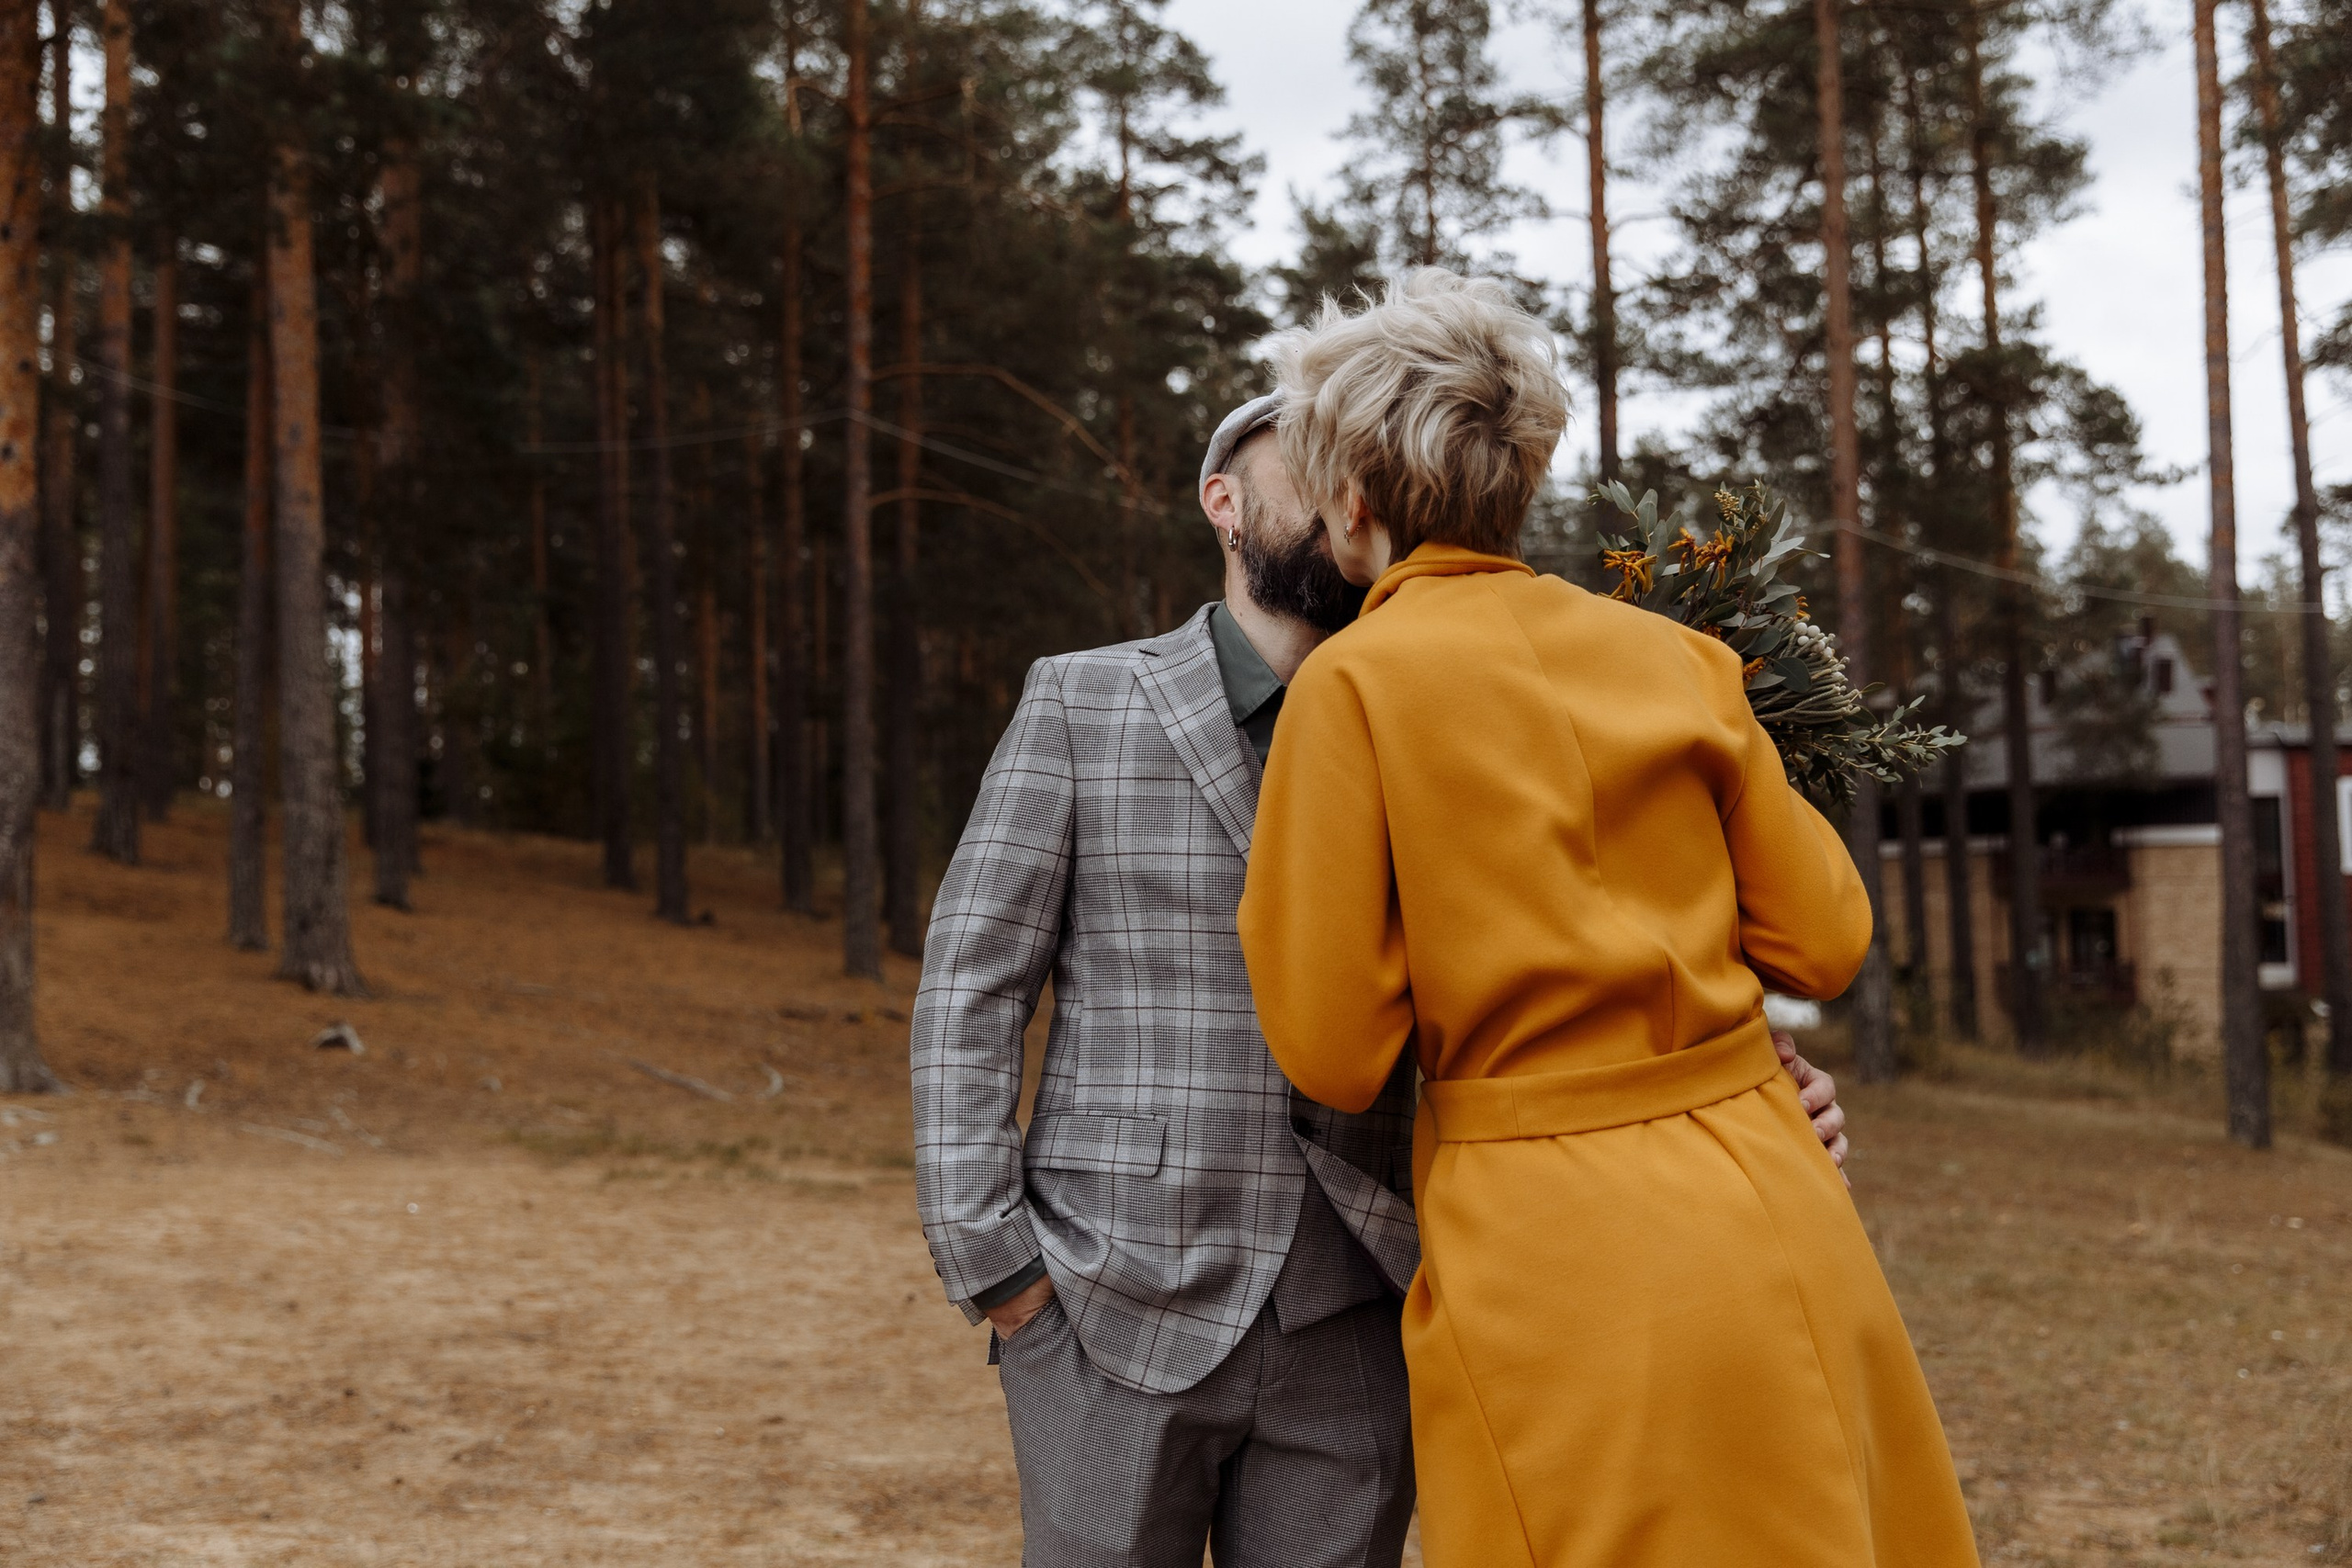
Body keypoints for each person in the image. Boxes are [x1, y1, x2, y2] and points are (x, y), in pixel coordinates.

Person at [910, 390, 1853, 1568]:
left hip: (1363, 1302)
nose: (1342, 492)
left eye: (1357, 467)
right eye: (1302, 466)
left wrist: (1758, 1078)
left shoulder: (1457, 714)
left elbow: (1592, 950)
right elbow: (970, 988)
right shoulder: (1084, 700)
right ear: (1223, 501)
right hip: (1109, 1300)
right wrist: (996, 1268)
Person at [1235, 269, 1979, 1568]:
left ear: (1353, 497)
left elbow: (1333, 1045)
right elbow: (1825, 938)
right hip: (1772, 1199)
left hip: (1552, 1248)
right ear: (1518, 477)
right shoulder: (1677, 660)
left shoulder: (1350, 684)